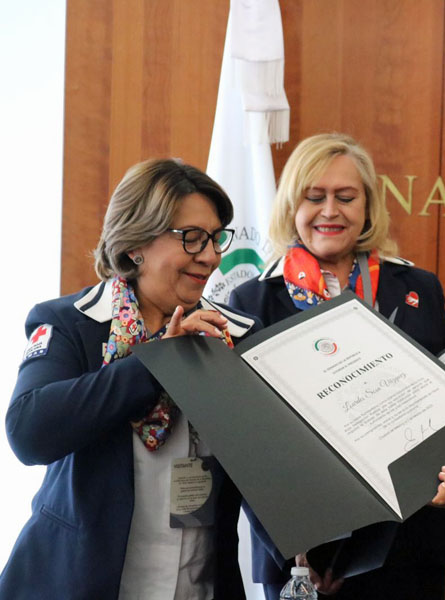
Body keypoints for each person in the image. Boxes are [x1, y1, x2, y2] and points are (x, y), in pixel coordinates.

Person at [229, 132, 445, 600]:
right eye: (314, 197)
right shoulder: (252, 300)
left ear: (367, 206)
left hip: (409, 535)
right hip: (303, 549)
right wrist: (293, 550)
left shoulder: (416, 285)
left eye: (346, 197)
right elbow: (243, 443)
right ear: (290, 206)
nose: (330, 211)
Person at [1, 159, 260, 598]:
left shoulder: (234, 337)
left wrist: (307, 557)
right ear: (137, 243)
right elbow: (30, 433)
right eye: (193, 238)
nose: (212, 256)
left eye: (216, 239)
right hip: (75, 585)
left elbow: (269, 470)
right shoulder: (70, 322)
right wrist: (156, 360)